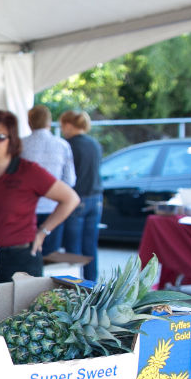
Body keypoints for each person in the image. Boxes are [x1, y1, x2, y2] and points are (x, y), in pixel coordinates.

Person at [0, 110, 80, 293]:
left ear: (12, 140)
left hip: (20, 257)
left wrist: (43, 231)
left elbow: (70, 199)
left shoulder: (28, 171)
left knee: (19, 318)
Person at [19, 104, 76, 256]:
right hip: (54, 209)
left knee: (26, 258)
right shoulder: (62, 145)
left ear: (29, 122)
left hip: (26, 209)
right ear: (49, 122)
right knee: (50, 258)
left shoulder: (20, 145)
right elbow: (70, 180)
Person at [59, 110, 103, 282]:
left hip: (77, 199)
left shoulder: (68, 145)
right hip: (96, 198)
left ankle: (75, 287)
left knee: (73, 249)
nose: (62, 129)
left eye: (62, 125)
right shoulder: (94, 144)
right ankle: (92, 284)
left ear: (69, 125)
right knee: (90, 246)